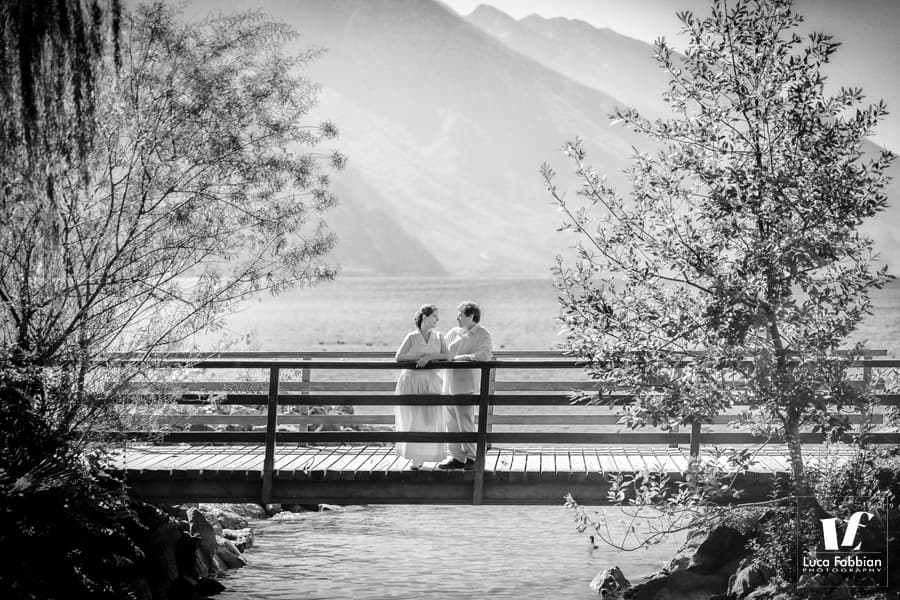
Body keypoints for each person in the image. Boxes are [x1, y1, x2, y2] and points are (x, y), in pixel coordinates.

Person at [393, 304, 450, 469]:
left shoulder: (439, 337)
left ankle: (429, 453)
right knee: (413, 419)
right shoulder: (412, 336)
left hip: (430, 381)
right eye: (435, 317)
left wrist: (430, 357)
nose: (437, 320)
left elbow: (447, 356)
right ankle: (415, 458)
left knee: (430, 418)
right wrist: (419, 356)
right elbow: (399, 357)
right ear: (425, 316)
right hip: (411, 380)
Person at [438, 301, 493, 470]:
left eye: (460, 315)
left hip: (465, 386)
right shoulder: (453, 332)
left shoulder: (483, 334)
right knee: (450, 423)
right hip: (448, 384)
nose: (457, 318)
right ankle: (456, 457)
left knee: (465, 423)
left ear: (470, 316)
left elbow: (485, 355)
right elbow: (443, 352)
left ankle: (472, 457)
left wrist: (465, 357)